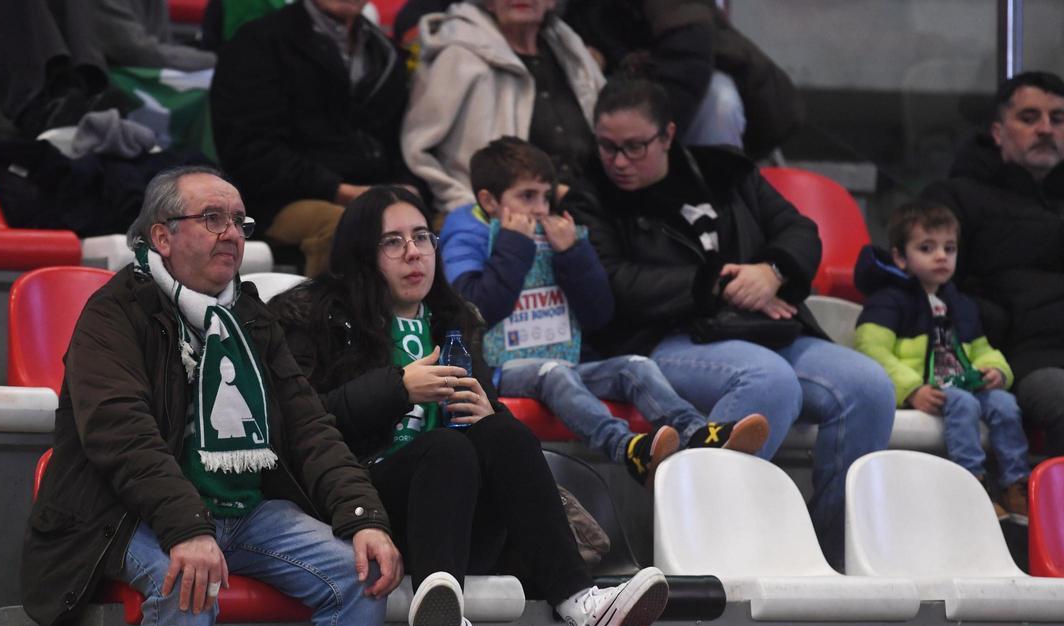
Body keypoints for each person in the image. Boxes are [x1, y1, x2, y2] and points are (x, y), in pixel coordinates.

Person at [20, 166, 402, 626]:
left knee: (361, 575)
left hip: (243, 512)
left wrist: (364, 517)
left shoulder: (249, 315)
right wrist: (186, 527)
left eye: (239, 222)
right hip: (126, 512)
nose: (233, 234)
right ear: (162, 237)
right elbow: (123, 435)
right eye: (213, 219)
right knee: (186, 578)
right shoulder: (113, 314)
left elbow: (309, 428)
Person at [272, 185, 670, 626]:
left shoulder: (453, 319)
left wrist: (488, 410)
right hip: (359, 514)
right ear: (362, 253)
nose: (413, 253)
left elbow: (494, 439)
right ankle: (438, 607)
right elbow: (299, 424)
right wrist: (397, 389)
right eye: (393, 242)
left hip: (459, 522)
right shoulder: (313, 316)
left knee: (503, 432)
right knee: (443, 448)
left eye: (422, 237)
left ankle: (580, 603)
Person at [564, 75, 894, 568]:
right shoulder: (590, 193)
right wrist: (716, 283)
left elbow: (799, 229)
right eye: (608, 146)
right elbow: (615, 285)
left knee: (869, 387)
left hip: (760, 327)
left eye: (634, 147)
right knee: (769, 380)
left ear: (669, 135)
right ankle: (703, 548)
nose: (618, 161)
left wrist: (772, 270)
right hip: (663, 337)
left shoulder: (725, 171)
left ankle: (829, 554)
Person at [439, 135, 770, 482]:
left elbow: (599, 314)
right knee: (553, 372)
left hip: (568, 358)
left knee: (636, 366)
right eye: (527, 197)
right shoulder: (465, 234)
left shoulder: (554, 233)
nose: (540, 208)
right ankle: (629, 449)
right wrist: (513, 245)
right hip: (499, 370)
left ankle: (698, 434)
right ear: (489, 201)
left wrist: (573, 254)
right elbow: (473, 309)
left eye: (546, 196)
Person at [854, 202, 1030, 523]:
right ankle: (970, 485)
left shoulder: (960, 303)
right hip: (926, 390)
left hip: (962, 383)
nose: (941, 256)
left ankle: (1015, 486)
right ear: (900, 257)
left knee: (1004, 403)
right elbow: (871, 350)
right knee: (963, 403)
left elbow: (980, 348)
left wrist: (995, 370)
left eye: (949, 248)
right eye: (927, 247)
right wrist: (911, 389)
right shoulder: (888, 299)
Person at [211, 0, 413, 276]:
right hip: (279, 201)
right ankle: (334, 319)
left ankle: (442, 319)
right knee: (348, 227)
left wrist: (407, 187)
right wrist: (340, 190)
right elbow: (249, 151)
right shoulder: (258, 42)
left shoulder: (384, 51)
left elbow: (399, 138)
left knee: (447, 221)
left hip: (375, 192)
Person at [922, 71, 1064, 457]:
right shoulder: (956, 198)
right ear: (999, 132)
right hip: (1019, 360)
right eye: (1030, 117)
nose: (1046, 129)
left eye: (1058, 119)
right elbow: (927, 283)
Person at [401, 0, 605, 214]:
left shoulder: (570, 51)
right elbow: (417, 150)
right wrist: (465, 206)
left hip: (585, 209)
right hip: (493, 219)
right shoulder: (458, 56)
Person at [563, 0, 803, 158]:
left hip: (690, 93)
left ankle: (719, 207)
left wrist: (648, 140)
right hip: (630, 90)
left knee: (719, 100)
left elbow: (687, 61)